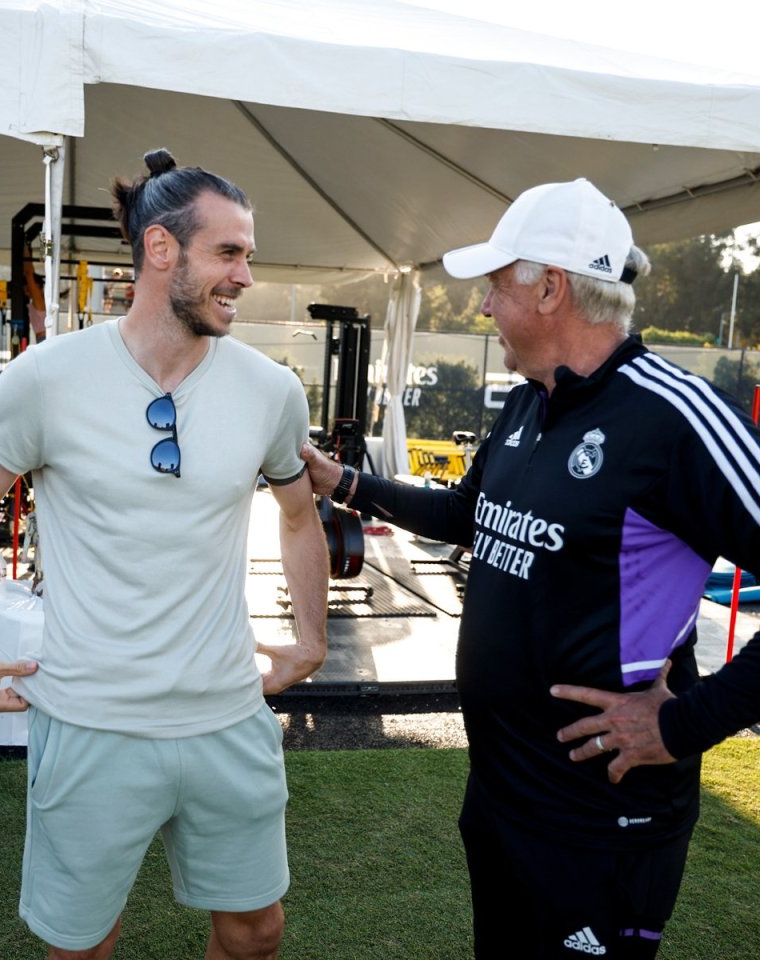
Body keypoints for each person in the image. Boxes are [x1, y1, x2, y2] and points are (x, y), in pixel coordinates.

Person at [300, 177, 760, 960]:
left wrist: (683, 723)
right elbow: (464, 518)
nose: (482, 309)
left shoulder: (674, 417)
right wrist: (341, 481)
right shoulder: (528, 403)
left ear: (551, 288)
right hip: (502, 800)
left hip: (599, 824)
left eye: (494, 286)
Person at [0, 148, 329, 960]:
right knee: (80, 947)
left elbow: (297, 514)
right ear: (161, 249)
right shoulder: (45, 379)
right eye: (230, 252)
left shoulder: (271, 389)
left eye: (248, 253)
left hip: (227, 717)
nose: (247, 274)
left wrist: (311, 640)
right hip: (91, 722)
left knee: (256, 933)